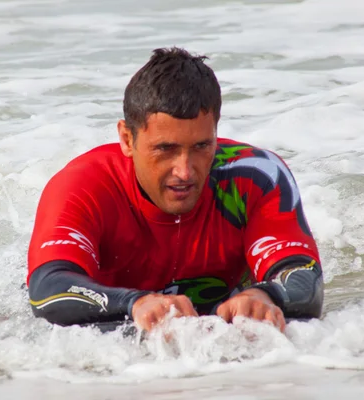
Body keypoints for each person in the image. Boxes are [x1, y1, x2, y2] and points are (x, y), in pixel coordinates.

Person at [27, 47, 324, 333]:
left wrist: (266, 296)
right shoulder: (85, 185)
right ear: (127, 139)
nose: (184, 171)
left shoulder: (256, 177)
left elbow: (304, 278)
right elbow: (47, 290)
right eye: (165, 149)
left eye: (201, 146)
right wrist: (134, 303)